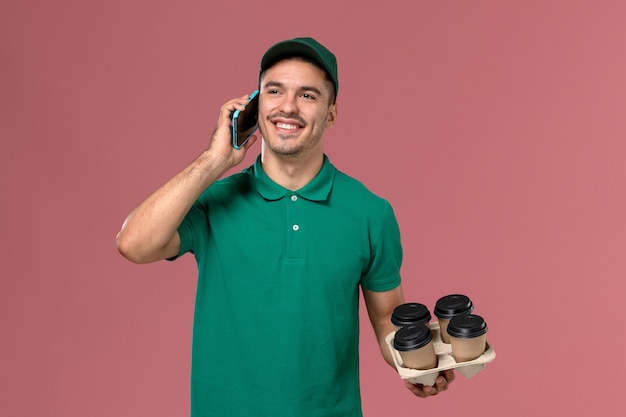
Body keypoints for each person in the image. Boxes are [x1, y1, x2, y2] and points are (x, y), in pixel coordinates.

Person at [116, 37, 454, 417]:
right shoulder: (215, 201)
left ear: (331, 114)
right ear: (255, 106)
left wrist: (417, 364)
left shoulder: (370, 212)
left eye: (308, 95)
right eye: (274, 91)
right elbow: (134, 244)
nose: (288, 106)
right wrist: (214, 160)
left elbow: (385, 317)